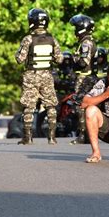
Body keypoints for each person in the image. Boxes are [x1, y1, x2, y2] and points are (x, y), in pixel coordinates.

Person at [15, 8, 63, 145]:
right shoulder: (52, 39)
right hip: (47, 75)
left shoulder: (28, 39)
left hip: (31, 75)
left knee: (29, 106)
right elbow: (59, 59)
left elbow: (19, 59)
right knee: (50, 106)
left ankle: (27, 137)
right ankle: (52, 137)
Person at [69, 14, 97, 145]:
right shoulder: (86, 41)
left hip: (85, 78)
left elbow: (83, 62)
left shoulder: (86, 43)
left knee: (81, 106)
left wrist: (73, 59)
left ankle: (83, 135)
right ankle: (85, 134)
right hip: (87, 77)